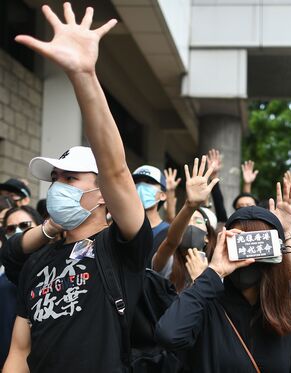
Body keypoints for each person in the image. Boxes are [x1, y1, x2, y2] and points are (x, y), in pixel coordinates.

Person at [2, 4, 150, 372]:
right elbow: (20, 352)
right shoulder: (37, 261)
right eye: (55, 179)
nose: (58, 187)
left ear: (103, 194)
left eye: (70, 178)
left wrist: (83, 75)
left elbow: (115, 169)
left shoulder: (121, 248)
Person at [155, 204, 291, 372]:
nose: (247, 259)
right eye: (238, 245)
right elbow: (168, 335)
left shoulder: (289, 318)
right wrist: (214, 272)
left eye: (256, 246)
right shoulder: (205, 308)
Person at [151, 156, 219, 292]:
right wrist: (190, 205)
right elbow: (171, 241)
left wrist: (202, 279)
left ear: (207, 236)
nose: (191, 225)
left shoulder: (218, 270)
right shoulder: (166, 264)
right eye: (188, 220)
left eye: (198, 221)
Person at [0, 206, 43, 368]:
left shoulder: (62, 270)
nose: (19, 232)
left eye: (25, 225)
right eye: (11, 228)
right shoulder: (3, 286)